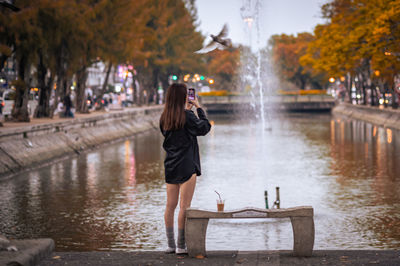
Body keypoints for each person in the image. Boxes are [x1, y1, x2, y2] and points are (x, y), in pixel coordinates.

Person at [159, 83, 211, 254]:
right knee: (184, 206)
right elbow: (204, 128)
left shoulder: (164, 118)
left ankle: (170, 245)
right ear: (184, 97)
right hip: (187, 164)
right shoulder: (187, 116)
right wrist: (198, 108)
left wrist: (188, 112)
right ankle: (181, 246)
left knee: (170, 206)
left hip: (171, 165)